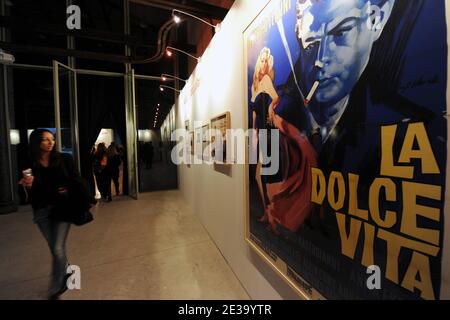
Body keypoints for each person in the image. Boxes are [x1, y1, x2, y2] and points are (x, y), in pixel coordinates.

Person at [250, 47, 317, 233]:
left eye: (266, 60)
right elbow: (254, 112)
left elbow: (276, 97)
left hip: (269, 128)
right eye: (261, 60)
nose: (263, 64)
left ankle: (272, 215)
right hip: (260, 130)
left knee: (267, 174)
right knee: (258, 175)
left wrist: (271, 107)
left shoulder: (265, 80)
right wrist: (253, 131)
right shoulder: (254, 85)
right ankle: (268, 211)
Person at [19, 129, 76, 299]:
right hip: (41, 210)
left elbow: (74, 179)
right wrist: (26, 185)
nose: (51, 142)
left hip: (62, 209)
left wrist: (66, 189)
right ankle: (66, 270)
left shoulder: (64, 159)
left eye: (52, 139)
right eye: (45, 140)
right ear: (37, 143)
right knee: (54, 248)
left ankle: (55, 287)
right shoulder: (29, 164)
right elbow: (30, 192)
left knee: (58, 248)